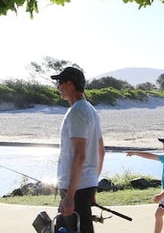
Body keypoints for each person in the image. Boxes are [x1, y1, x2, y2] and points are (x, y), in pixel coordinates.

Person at [52, 67, 105, 233]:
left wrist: (69, 196)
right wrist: (92, 184)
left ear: (69, 84)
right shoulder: (91, 110)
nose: (57, 87)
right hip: (85, 185)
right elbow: (101, 151)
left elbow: (80, 155)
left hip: (75, 187)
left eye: (59, 83)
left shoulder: (76, 112)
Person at [126, 133, 164, 233]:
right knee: (158, 215)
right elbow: (150, 156)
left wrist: (161, 195)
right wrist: (135, 153)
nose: (163, 149)